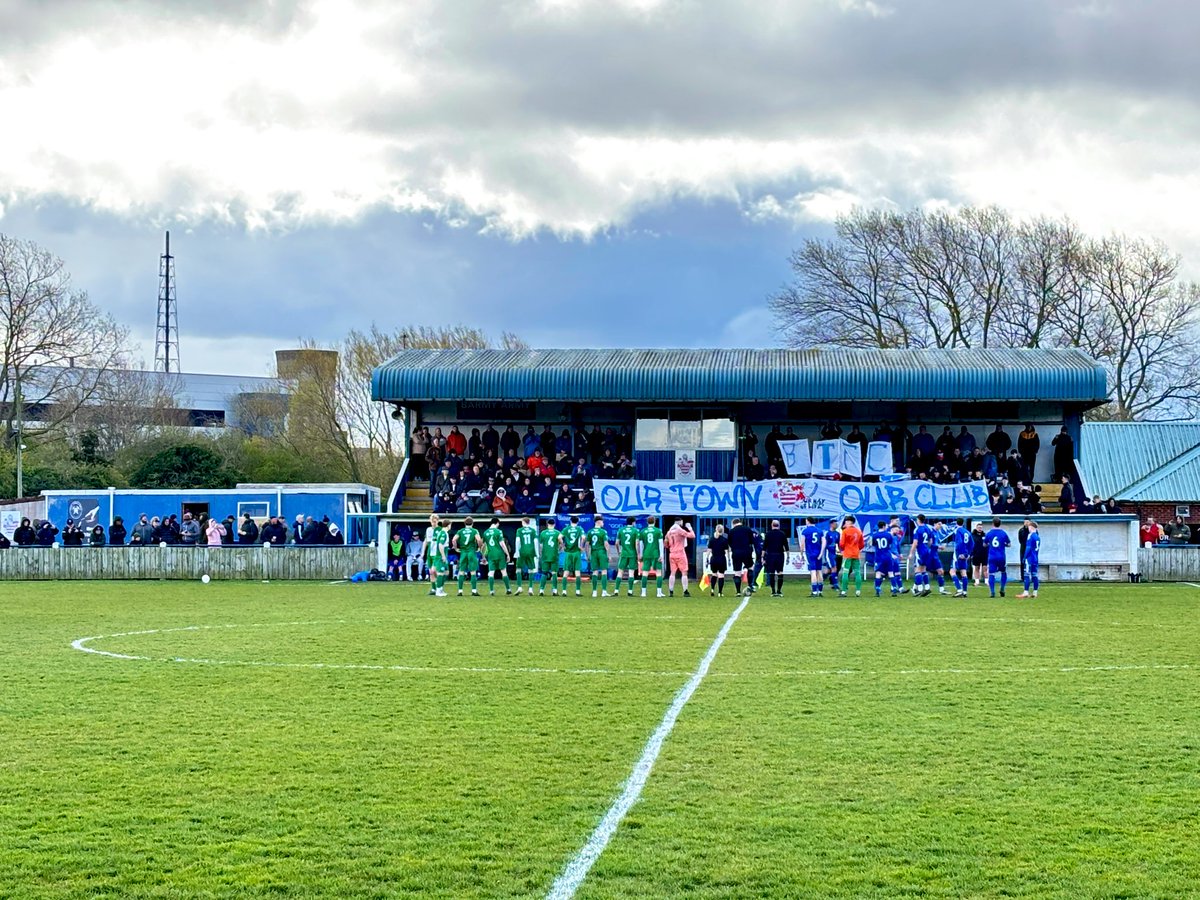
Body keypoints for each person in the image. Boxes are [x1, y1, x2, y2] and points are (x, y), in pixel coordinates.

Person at [909, 514, 948, 596]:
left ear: (918, 520)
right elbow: (930, 542)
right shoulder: (928, 529)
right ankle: (926, 588)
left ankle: (919, 589)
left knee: (918, 570)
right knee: (923, 569)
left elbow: (915, 543)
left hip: (920, 551)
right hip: (927, 551)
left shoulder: (917, 530)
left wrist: (911, 553)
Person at [481, 517, 511, 595]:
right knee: (503, 571)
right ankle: (508, 589)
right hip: (500, 554)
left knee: (491, 572)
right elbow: (502, 544)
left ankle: (491, 591)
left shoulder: (485, 532)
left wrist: (483, 556)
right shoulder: (499, 531)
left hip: (491, 554)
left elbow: (483, 546)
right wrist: (507, 554)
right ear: (497, 523)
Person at [453, 516, 482, 596]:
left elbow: (454, 540)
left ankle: (460, 591)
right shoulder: (474, 530)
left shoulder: (460, 531)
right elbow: (479, 540)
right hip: (471, 552)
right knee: (473, 572)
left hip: (463, 552)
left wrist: (456, 548)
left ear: (464, 523)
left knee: (461, 571)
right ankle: (474, 591)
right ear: (472, 523)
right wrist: (479, 548)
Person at [665, 518, 695, 597]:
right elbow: (692, 535)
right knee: (684, 572)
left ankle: (671, 591)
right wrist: (690, 528)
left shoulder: (669, 532)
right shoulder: (679, 530)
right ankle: (685, 591)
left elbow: (666, 544)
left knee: (672, 573)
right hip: (680, 553)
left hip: (672, 553)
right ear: (680, 522)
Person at [423, 514, 450, 597]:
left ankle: (440, 587)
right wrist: (422, 552)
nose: (433, 523)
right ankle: (434, 589)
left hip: (437, 553)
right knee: (431, 572)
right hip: (430, 553)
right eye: (432, 521)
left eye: (435, 521)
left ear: (438, 521)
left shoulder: (440, 530)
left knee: (444, 572)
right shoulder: (428, 530)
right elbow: (426, 541)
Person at [984, 516, 1012, 598]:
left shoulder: (989, 533)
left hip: (992, 556)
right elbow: (1009, 544)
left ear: (992, 523)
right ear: (1000, 524)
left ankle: (992, 592)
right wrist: (1004, 544)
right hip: (1001, 556)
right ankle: (1002, 588)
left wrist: (989, 544)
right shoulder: (1003, 533)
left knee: (991, 574)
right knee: (1003, 572)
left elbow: (984, 544)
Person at [947, 517, 974, 597]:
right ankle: (965, 592)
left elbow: (959, 543)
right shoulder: (967, 532)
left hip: (958, 554)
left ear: (956, 523)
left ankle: (959, 590)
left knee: (952, 571)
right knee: (963, 572)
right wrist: (968, 554)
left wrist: (961, 553)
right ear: (963, 523)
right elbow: (972, 544)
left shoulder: (958, 531)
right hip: (965, 555)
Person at [727, 518, 755, 596]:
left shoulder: (731, 531)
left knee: (737, 572)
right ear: (740, 522)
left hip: (736, 553)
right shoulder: (747, 529)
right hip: (746, 552)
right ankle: (750, 586)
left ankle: (738, 592)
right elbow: (752, 541)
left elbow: (729, 543)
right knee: (750, 567)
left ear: (733, 524)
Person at [638, 515, 665, 598]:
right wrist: (661, 555)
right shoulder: (658, 531)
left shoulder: (643, 531)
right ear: (655, 521)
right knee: (658, 573)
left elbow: (641, 544)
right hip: (655, 553)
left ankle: (643, 592)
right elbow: (661, 543)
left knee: (645, 573)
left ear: (647, 522)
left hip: (646, 553)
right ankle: (659, 593)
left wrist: (641, 554)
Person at [615, 516, 641, 597]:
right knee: (631, 572)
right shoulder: (635, 531)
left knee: (620, 572)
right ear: (633, 522)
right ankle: (630, 591)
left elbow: (616, 543)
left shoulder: (621, 530)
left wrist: (618, 551)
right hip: (632, 554)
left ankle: (616, 591)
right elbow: (636, 543)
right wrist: (638, 554)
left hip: (624, 553)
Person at [838, 515, 864, 597]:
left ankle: (844, 591)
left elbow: (841, 544)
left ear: (849, 522)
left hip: (847, 554)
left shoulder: (845, 531)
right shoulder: (859, 531)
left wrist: (844, 549)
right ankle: (858, 591)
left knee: (845, 572)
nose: (845, 522)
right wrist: (856, 548)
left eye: (846, 521)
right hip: (856, 554)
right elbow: (862, 544)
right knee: (857, 572)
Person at [560, 515, 586, 596]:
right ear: (577, 522)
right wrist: (581, 546)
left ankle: (564, 591)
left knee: (566, 572)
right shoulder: (579, 529)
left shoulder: (566, 529)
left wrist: (563, 546)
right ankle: (577, 591)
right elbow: (584, 537)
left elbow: (559, 537)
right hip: (576, 552)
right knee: (577, 572)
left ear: (570, 521)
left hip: (568, 552)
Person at [512, 516, 539, 594]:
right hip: (531, 551)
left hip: (522, 551)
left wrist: (517, 551)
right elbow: (536, 541)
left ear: (523, 522)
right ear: (529, 523)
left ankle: (520, 587)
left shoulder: (519, 530)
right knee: (531, 569)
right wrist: (537, 553)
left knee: (518, 569)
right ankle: (530, 588)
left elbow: (518, 541)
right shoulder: (533, 530)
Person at [763, 520, 789, 597]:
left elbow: (764, 547)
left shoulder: (768, 534)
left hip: (770, 555)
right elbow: (786, 546)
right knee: (780, 573)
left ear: (772, 525)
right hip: (780, 555)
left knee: (771, 573)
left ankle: (773, 591)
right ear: (779, 525)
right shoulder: (782, 534)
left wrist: (762, 557)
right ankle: (779, 591)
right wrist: (788, 556)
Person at [585, 516, 610, 597]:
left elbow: (587, 544)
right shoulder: (603, 532)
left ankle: (594, 592)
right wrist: (608, 555)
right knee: (604, 571)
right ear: (599, 522)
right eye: (602, 522)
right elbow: (606, 544)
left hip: (593, 552)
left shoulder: (590, 532)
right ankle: (604, 591)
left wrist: (587, 555)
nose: (603, 523)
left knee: (595, 572)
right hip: (601, 552)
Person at [800, 517, 826, 597]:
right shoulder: (819, 531)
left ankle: (814, 592)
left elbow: (802, 543)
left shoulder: (805, 531)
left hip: (810, 553)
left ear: (808, 521)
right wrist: (821, 552)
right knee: (819, 571)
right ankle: (820, 591)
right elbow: (824, 542)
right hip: (818, 553)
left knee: (813, 572)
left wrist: (801, 553)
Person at [870, 521, 895, 597]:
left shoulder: (874, 535)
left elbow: (872, 544)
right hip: (887, 556)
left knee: (878, 573)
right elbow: (890, 544)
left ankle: (877, 590)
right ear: (884, 526)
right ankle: (894, 589)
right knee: (891, 573)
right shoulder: (889, 535)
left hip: (879, 556)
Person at [537, 518, 562, 596]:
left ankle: (541, 590)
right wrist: (559, 550)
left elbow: (540, 546)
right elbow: (561, 543)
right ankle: (554, 590)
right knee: (554, 573)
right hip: (554, 555)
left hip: (545, 555)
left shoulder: (543, 533)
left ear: (547, 524)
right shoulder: (557, 533)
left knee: (544, 573)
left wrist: (541, 554)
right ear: (554, 524)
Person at [1018, 521, 1041, 598]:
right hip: (1035, 558)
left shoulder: (1030, 536)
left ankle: (1026, 592)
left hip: (1029, 558)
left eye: (1028, 527)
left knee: (1027, 575)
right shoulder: (1037, 537)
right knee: (1034, 575)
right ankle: (1035, 592)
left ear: (1031, 527)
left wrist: (1024, 557)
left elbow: (1028, 547)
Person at [706, 524, 730, 597]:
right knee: (721, 575)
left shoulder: (711, 539)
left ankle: (712, 589)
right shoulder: (724, 540)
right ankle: (720, 592)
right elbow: (726, 551)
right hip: (721, 558)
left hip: (713, 559)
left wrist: (707, 558)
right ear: (722, 531)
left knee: (714, 574)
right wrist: (729, 559)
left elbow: (709, 550)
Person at [822, 518, 841, 595]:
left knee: (828, 570)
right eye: (835, 524)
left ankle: (819, 582)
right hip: (828, 553)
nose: (836, 525)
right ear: (831, 524)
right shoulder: (827, 533)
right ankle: (835, 584)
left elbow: (838, 544)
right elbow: (824, 544)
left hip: (834, 553)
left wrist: (840, 550)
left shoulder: (837, 534)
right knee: (834, 568)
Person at [970, 520, 988, 585]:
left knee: (985, 568)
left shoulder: (985, 535)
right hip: (976, 554)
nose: (980, 529)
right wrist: (971, 553)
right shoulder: (972, 536)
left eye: (981, 527)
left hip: (984, 554)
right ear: (976, 528)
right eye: (979, 527)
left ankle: (986, 581)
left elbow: (987, 544)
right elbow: (971, 545)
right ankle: (977, 581)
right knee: (976, 568)